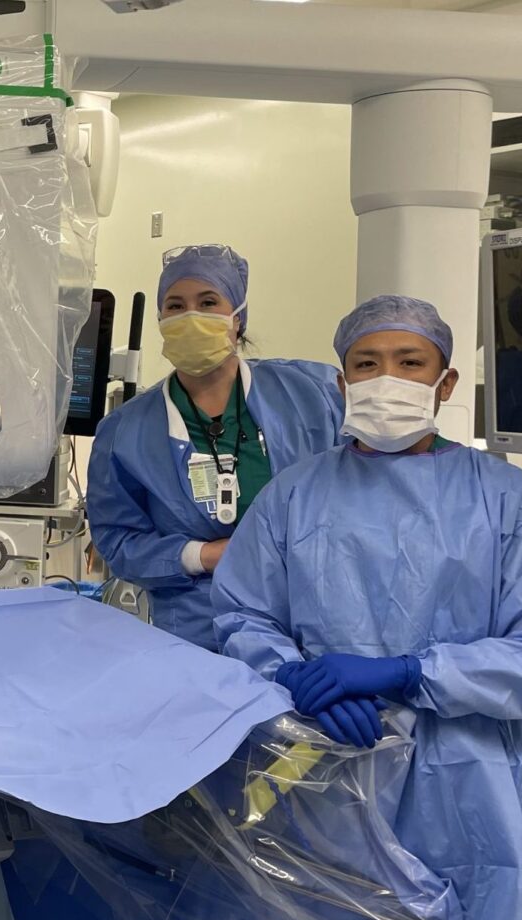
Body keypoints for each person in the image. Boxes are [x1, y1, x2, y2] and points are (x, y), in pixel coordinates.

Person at [213, 294, 522, 920]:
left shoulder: (516, 504)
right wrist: (297, 679)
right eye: (367, 364)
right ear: (341, 382)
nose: (387, 378)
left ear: (445, 384)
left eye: (409, 363)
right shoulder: (293, 498)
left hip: (474, 785)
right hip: (324, 766)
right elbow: (242, 614)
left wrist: (409, 673)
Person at [87, 244, 343, 651]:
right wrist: (201, 555)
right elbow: (117, 540)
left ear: (237, 317)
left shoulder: (313, 394)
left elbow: (362, 491)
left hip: (314, 617)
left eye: (208, 302)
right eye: (176, 306)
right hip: (199, 631)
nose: (191, 317)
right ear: (160, 319)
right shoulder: (125, 432)